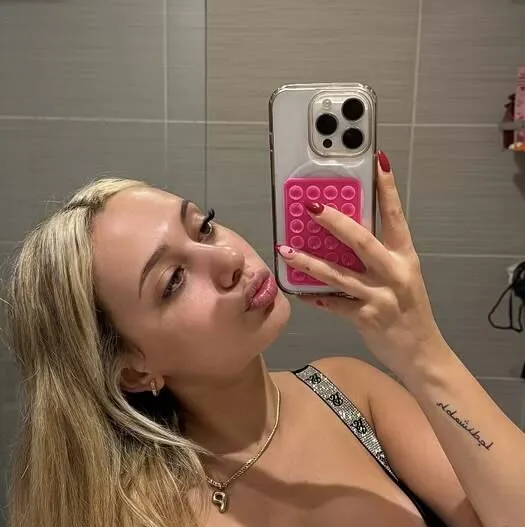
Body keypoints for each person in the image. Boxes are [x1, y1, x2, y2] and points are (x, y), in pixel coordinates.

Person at [3, 151, 524, 527]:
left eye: (204, 227)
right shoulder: (133, 512)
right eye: (174, 281)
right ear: (136, 370)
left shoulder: (349, 392)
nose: (230, 258)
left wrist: (421, 350)